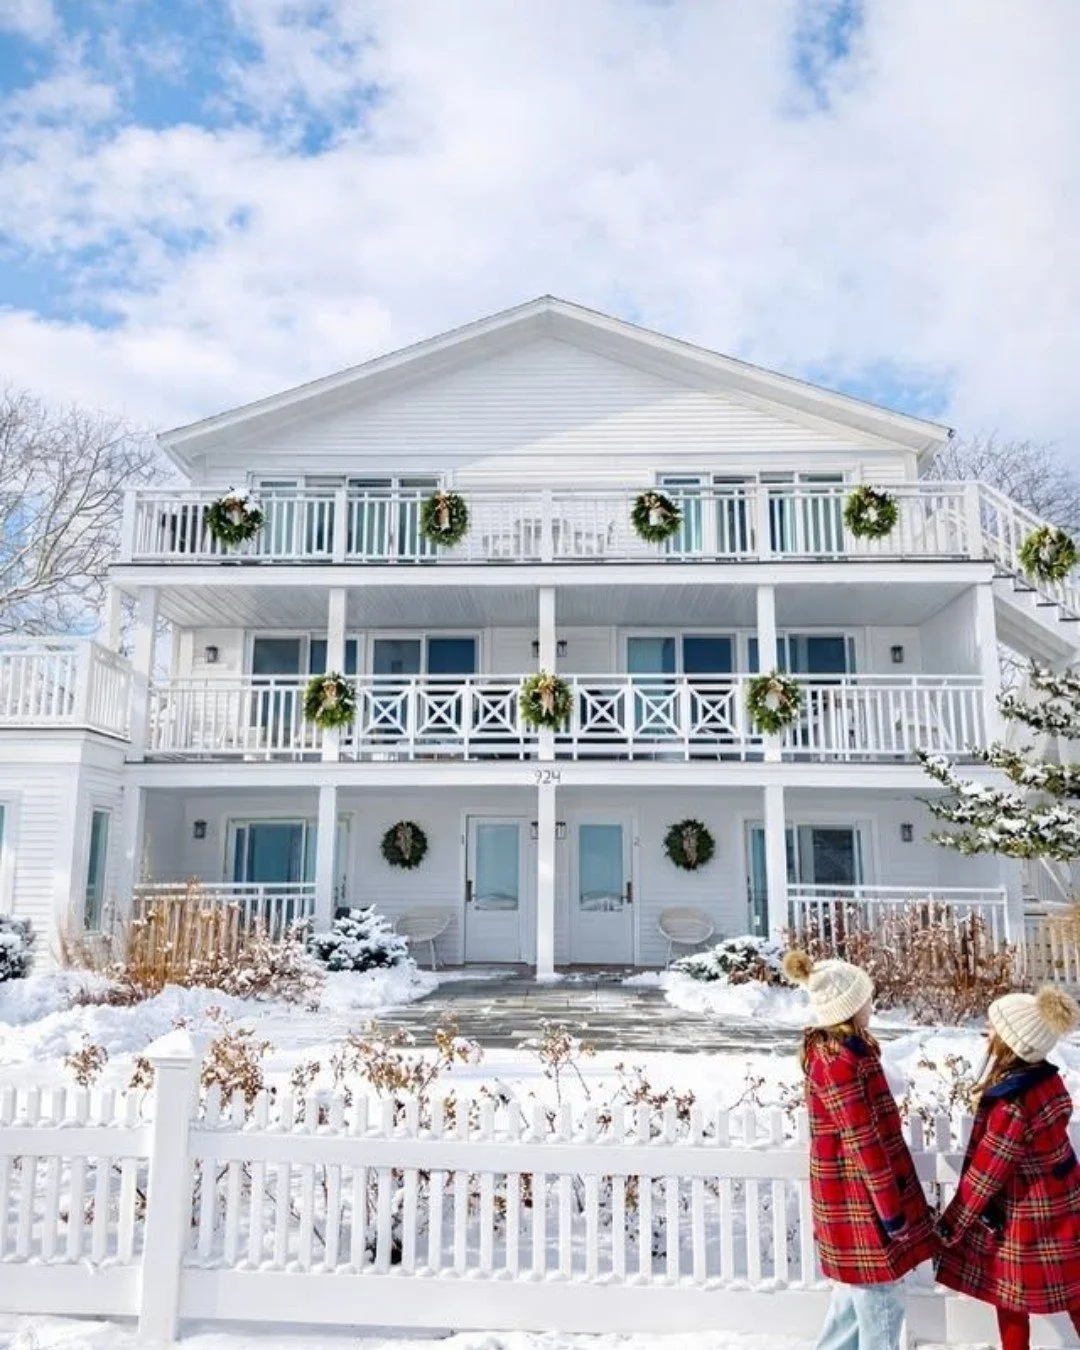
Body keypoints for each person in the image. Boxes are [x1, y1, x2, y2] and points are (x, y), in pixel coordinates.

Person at [784, 949, 936, 1350]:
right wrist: (890, 1212)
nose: (872, 1004)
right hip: (860, 1201)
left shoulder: (851, 1052)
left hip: (860, 1198)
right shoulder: (837, 1062)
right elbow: (862, 1140)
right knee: (880, 1305)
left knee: (853, 1303)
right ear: (849, 1007)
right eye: (866, 998)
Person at [935, 985, 1080, 1350]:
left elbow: (986, 1175)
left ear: (1013, 1043)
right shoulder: (1048, 1081)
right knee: (1075, 1289)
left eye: (994, 1026)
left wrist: (951, 1225)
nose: (988, 1032)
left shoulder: (1011, 1104)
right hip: (1061, 1208)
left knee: (1010, 1300)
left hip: (1024, 1218)